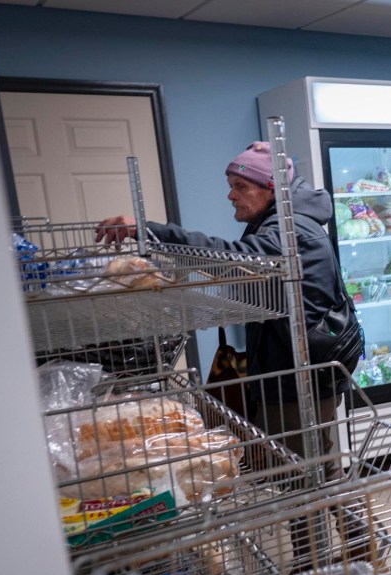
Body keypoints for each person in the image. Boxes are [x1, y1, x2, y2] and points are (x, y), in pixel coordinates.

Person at [95, 141, 356, 482]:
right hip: (295, 364)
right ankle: (353, 533)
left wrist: (148, 230)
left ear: (271, 189)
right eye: (230, 187)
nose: (230, 196)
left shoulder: (292, 231)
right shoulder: (279, 221)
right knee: (312, 466)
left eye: (240, 187)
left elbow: (232, 258)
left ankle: (343, 534)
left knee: (303, 474)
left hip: (302, 372)